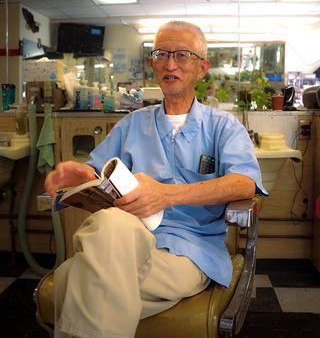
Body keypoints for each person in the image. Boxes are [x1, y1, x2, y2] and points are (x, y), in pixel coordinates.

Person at [45, 21, 267, 338]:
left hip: (189, 251)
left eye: (181, 55)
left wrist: (166, 195)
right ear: (152, 62)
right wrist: (84, 175)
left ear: (202, 67)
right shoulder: (131, 124)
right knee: (110, 223)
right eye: (161, 54)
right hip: (125, 238)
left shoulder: (223, 127)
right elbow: (98, 174)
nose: (169, 63)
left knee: (72, 281)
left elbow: (244, 183)